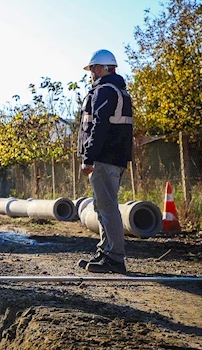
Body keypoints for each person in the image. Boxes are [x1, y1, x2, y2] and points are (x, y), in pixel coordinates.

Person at [77, 49, 133, 274]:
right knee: (102, 206)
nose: (91, 73)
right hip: (113, 158)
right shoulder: (118, 90)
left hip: (104, 158)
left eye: (92, 69)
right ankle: (105, 250)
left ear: (101, 68)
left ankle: (114, 257)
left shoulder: (105, 91)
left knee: (107, 208)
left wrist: (89, 156)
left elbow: (98, 127)